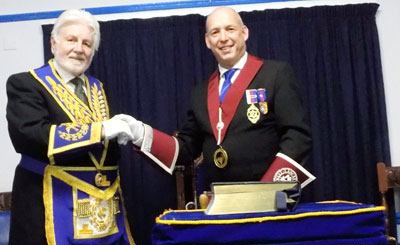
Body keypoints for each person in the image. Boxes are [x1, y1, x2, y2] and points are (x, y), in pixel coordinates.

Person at [6, 9, 138, 245]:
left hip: (97, 217)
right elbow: (29, 135)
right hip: (46, 216)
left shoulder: (98, 88)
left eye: (87, 43)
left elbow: (100, 152)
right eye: (71, 40)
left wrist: (122, 138)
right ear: (53, 43)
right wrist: (99, 131)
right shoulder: (26, 83)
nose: (79, 49)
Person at [123, 7, 312, 188]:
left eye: (230, 29)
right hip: (220, 203)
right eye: (215, 32)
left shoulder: (276, 74)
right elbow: (186, 149)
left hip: (270, 201)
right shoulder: (200, 93)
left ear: (244, 33)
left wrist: (270, 190)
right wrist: (140, 133)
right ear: (207, 41)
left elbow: (297, 137)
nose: (223, 38)